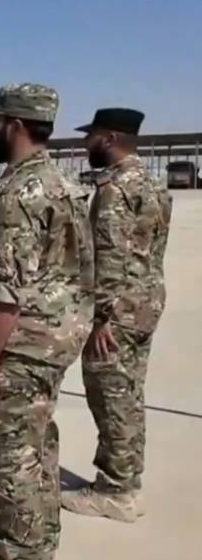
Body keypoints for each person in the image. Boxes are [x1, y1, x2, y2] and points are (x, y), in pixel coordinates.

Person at [0, 83, 94, 560]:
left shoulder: (18, 195)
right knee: (37, 451)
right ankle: (36, 555)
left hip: (18, 345)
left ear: (14, 125)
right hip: (52, 341)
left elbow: (5, 289)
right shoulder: (63, 183)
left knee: (8, 456)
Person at [61, 107, 172, 522]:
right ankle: (125, 479)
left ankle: (116, 489)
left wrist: (100, 317)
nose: (86, 143)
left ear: (108, 139)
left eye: (91, 136)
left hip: (118, 311)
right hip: (145, 302)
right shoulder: (154, 184)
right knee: (129, 395)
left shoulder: (115, 189)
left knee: (111, 396)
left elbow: (110, 256)